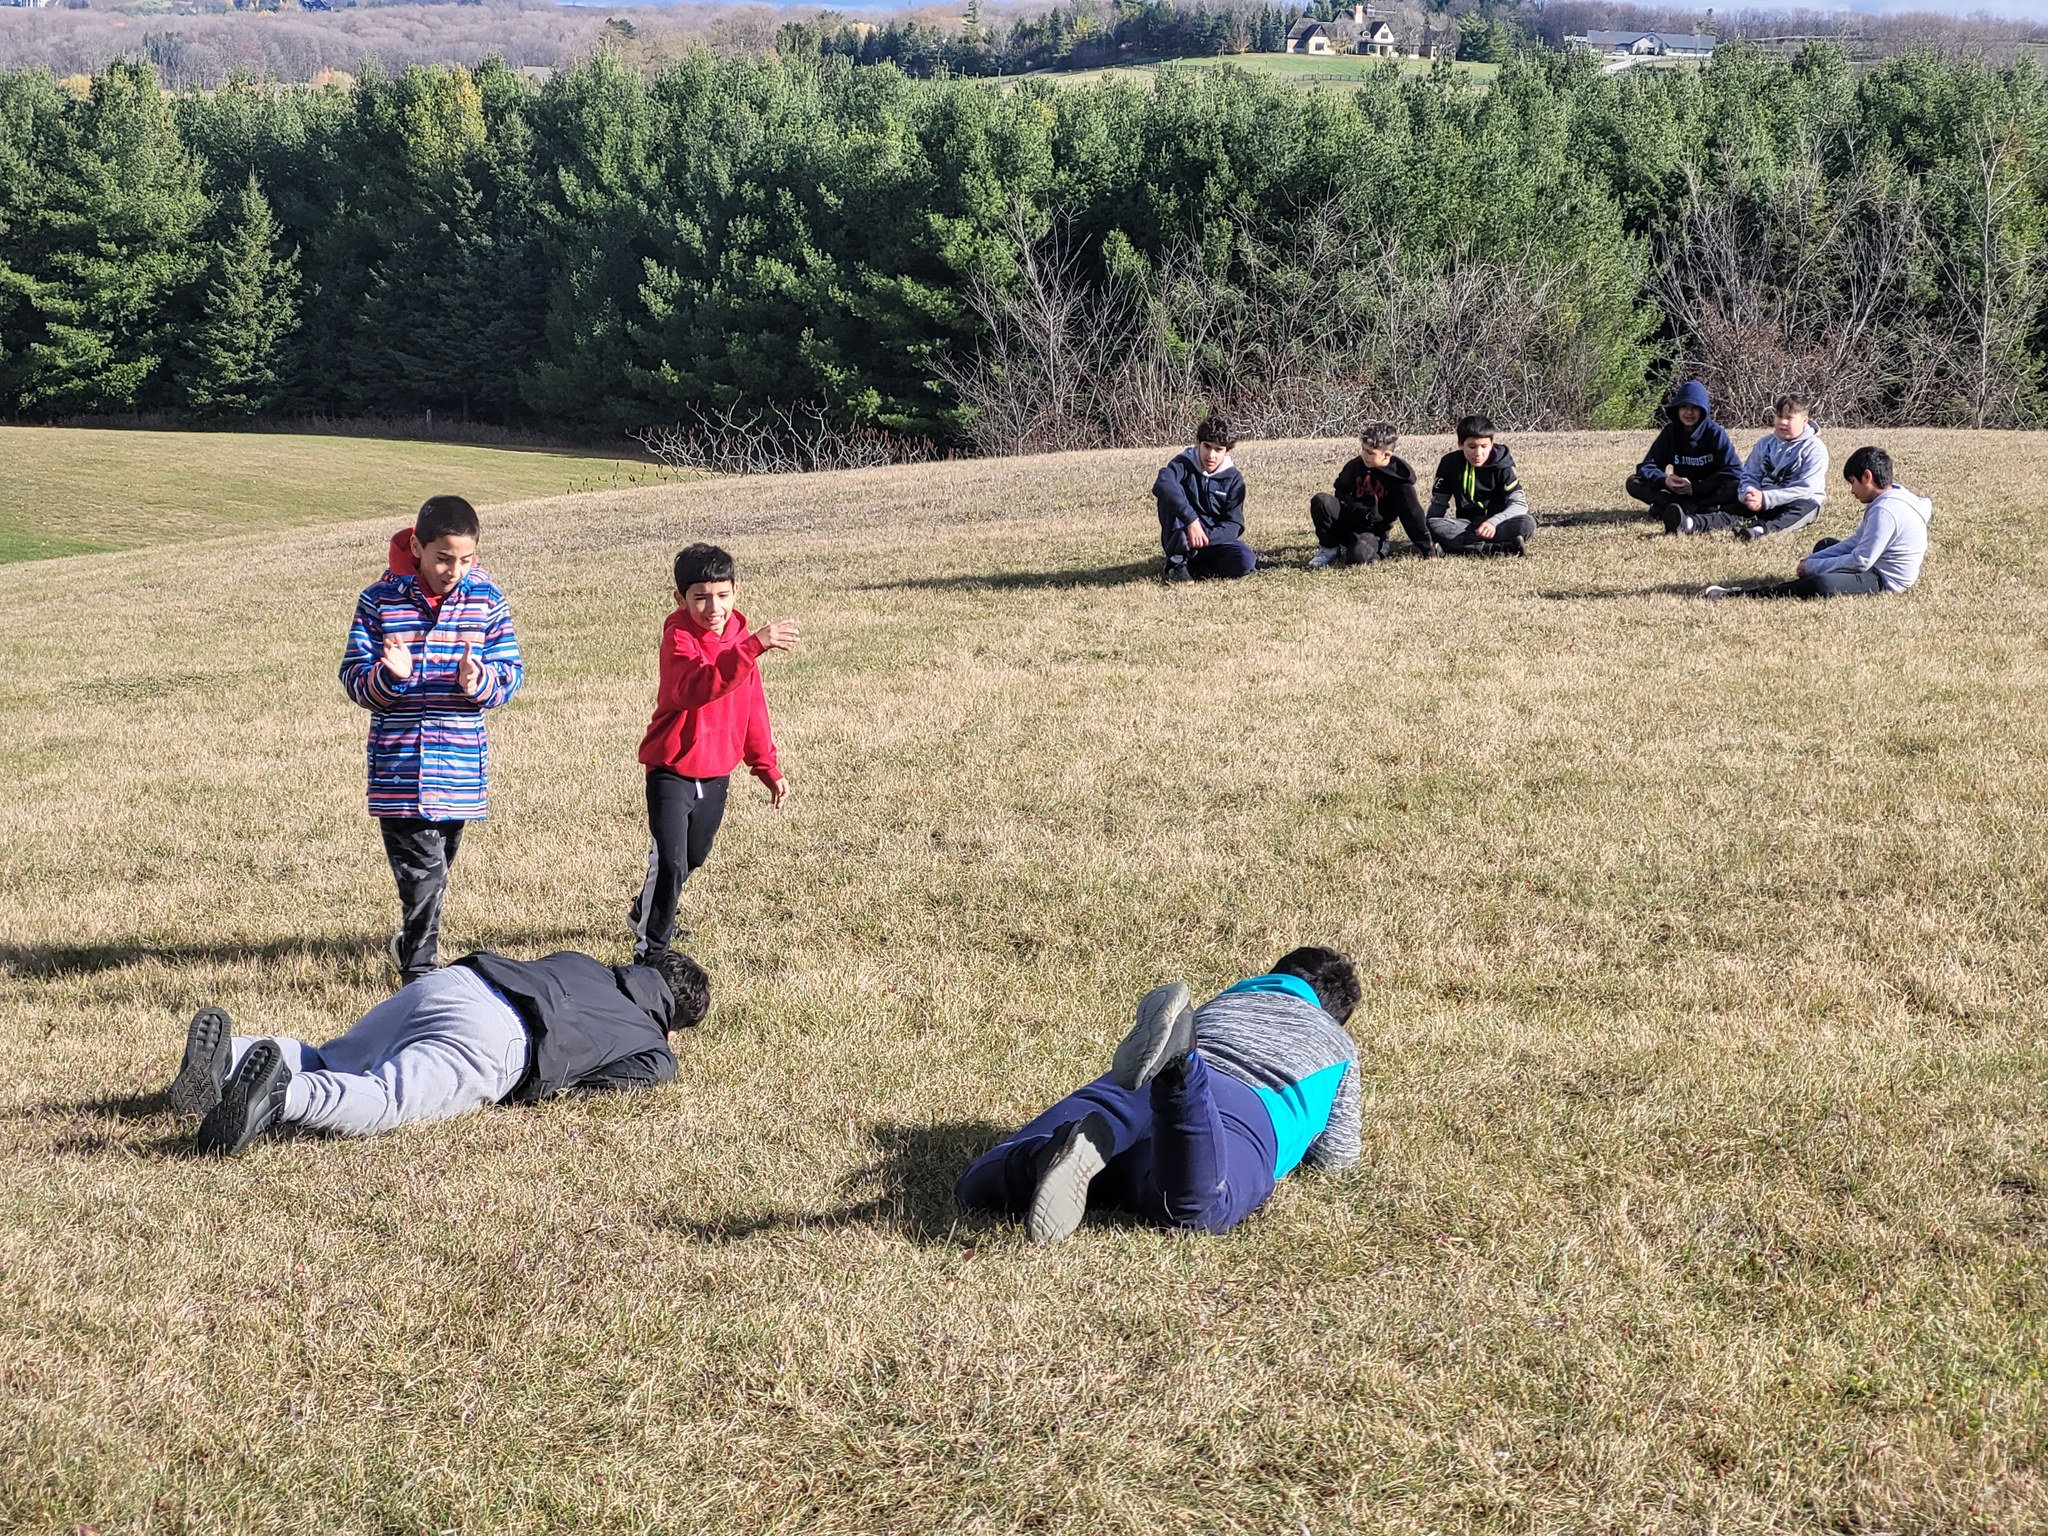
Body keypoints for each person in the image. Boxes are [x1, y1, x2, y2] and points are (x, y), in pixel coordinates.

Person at [955, 947, 1362, 1243]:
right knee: (1197, 1207)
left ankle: (1042, 1156)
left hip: (1128, 1091)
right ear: (1336, 1014)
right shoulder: (1338, 1045)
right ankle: (1181, 1072)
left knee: (975, 1187)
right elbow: (1336, 1158)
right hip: (1244, 1112)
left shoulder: (1227, 1002)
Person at [171, 946, 711, 1154]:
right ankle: (282, 1097)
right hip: (502, 1039)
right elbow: (608, 1082)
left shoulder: (587, 963)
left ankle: (234, 1057)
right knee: (385, 1099)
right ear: (675, 1026)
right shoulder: (655, 1052)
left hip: (456, 982)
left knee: (335, 1057)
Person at [339, 496, 524, 986]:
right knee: (424, 878)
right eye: (443, 558)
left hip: (461, 770)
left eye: (465, 560)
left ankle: (412, 939)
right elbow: (354, 678)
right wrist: (388, 675)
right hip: (400, 771)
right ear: (417, 546)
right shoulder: (379, 601)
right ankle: (420, 974)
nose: (453, 571)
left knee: (436, 872)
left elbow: (510, 675)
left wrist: (478, 680)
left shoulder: (487, 601)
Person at [628, 543, 798, 965]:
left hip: (716, 771)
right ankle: (652, 954)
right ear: (680, 600)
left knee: (692, 858)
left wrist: (768, 768)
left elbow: (752, 710)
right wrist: (752, 647)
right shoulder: (679, 638)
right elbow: (697, 687)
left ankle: (642, 910)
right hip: (671, 769)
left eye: (722, 595)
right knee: (669, 861)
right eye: (700, 597)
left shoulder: (742, 641)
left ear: (736, 591)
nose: (712, 606)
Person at [1703, 445, 1932, 600]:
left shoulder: (1886, 510)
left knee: (1820, 584)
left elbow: (1861, 560)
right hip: (1874, 563)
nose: (1852, 490)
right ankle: (1811, 573)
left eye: (1853, 482)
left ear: (1867, 477)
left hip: (1883, 579)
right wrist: (1815, 559)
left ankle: (1746, 593)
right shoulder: (1896, 496)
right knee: (1825, 546)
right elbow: (1855, 542)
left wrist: (1813, 567)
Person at [1308, 420, 1431, 567]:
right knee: (1321, 500)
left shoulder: (1399, 480)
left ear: (1386, 455)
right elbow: (1340, 490)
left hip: (1373, 531)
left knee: (1358, 557)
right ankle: (1329, 549)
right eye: (1363, 449)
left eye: (1370, 452)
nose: (1364, 455)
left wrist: (1427, 548)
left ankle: (1375, 548)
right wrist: (1351, 505)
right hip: (1350, 520)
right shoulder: (1355, 466)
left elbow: (1412, 514)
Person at [1625, 381, 1742, 533]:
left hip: (1706, 493)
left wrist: (1695, 488)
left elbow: (1735, 471)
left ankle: (1671, 509)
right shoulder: (1670, 432)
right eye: (1684, 407)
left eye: (1694, 408)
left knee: (1739, 486)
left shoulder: (1715, 433)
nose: (1689, 412)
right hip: (1677, 491)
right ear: (1677, 409)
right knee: (1634, 482)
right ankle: (1686, 508)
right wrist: (1665, 480)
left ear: (1703, 410)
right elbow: (1647, 466)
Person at [1154, 416, 1255, 583]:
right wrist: (1191, 521)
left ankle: (1194, 567)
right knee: (1169, 491)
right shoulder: (1183, 464)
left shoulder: (1234, 479)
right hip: (1180, 534)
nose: (1211, 455)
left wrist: (1202, 538)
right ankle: (1177, 564)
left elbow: (1234, 525)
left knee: (1246, 560)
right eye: (1207, 446)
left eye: (1218, 449)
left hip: (1207, 542)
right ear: (1197, 442)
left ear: (1227, 451)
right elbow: (1162, 483)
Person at [1716, 394, 1830, 541]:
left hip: (1796, 501)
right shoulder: (1765, 443)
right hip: (1762, 500)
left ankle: (1759, 531)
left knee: (1807, 507)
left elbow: (1805, 488)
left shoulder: (1814, 449)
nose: (1782, 422)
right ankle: (1691, 523)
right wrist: (1749, 493)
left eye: (1789, 418)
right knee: (1733, 502)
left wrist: (1766, 498)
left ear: (1804, 421)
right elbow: (1749, 473)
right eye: (1779, 416)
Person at [1425, 415, 1535, 556]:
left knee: (1527, 522)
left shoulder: (1502, 463)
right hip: (1465, 525)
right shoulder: (1449, 464)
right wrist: (1428, 535)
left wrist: (1493, 522)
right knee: (1430, 525)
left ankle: (1464, 547)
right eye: (1472, 447)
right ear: (1460, 444)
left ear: (1492, 444)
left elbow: (1519, 504)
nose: (1478, 453)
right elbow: (1438, 504)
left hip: (1499, 524)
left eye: (1484, 446)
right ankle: (1498, 548)